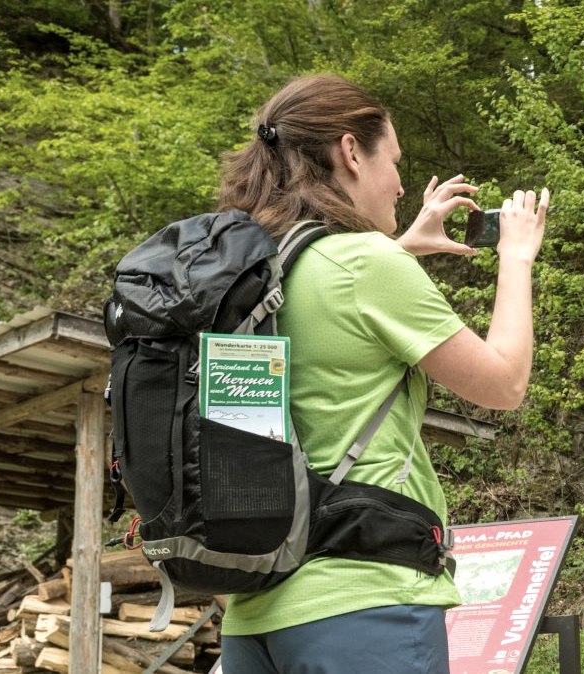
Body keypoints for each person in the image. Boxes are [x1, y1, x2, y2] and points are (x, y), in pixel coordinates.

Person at [212, 73, 549, 673]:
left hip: (252, 616)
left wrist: (403, 249)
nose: (400, 184)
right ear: (349, 152)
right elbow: (503, 384)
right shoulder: (364, 265)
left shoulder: (244, 269)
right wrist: (516, 259)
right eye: (393, 161)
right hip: (365, 604)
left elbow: (326, 311)